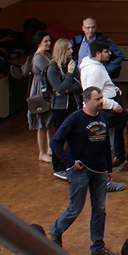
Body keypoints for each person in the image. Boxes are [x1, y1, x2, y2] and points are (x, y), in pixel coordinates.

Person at [49, 87, 119, 255]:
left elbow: (104, 145)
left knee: (99, 209)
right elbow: (55, 142)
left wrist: (109, 169)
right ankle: (56, 230)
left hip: (100, 170)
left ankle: (98, 246)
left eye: (102, 98)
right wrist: (70, 163)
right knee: (76, 208)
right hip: (80, 171)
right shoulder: (74, 118)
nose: (101, 102)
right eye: (97, 99)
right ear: (86, 101)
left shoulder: (102, 116)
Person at [79, 38, 126, 167]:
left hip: (107, 109)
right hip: (105, 111)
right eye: (106, 51)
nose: (110, 53)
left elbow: (100, 87)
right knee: (103, 143)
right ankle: (102, 174)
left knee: (106, 142)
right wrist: (115, 106)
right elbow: (94, 97)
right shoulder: (95, 70)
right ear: (98, 53)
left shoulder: (94, 66)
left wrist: (112, 89)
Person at [47, 38, 82, 179]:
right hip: (60, 108)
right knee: (60, 138)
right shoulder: (52, 68)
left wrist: (68, 88)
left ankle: (71, 164)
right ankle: (58, 167)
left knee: (74, 137)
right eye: (68, 49)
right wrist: (68, 75)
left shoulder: (71, 64)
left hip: (74, 106)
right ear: (62, 50)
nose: (71, 51)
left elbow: (80, 86)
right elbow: (59, 90)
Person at [27, 30, 53, 163]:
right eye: (45, 41)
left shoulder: (47, 54)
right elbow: (49, 71)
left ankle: (50, 148)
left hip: (47, 90)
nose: (49, 43)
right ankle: (42, 152)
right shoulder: (38, 57)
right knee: (42, 124)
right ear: (39, 43)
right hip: (40, 91)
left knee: (49, 121)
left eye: (49, 40)